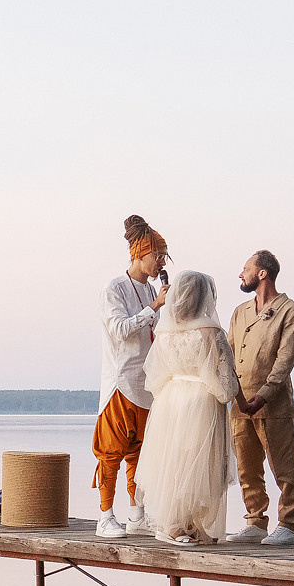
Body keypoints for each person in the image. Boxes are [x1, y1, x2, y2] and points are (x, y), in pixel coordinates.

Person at [131, 271, 241, 546]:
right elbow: (224, 379)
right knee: (197, 464)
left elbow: (155, 374)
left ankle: (178, 524)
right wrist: (226, 393)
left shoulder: (165, 331)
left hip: (170, 398)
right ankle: (180, 526)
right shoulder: (210, 332)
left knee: (174, 462)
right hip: (200, 399)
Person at [94, 216, 170, 539]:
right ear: (140, 253)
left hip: (145, 383)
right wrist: (154, 306)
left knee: (139, 452)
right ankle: (104, 516)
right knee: (111, 450)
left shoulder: (151, 288)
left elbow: (152, 334)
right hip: (120, 382)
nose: (161, 263)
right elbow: (121, 329)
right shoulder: (115, 289)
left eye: (164, 257)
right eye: (158, 256)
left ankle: (137, 512)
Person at [228, 250, 294, 545]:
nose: (241, 274)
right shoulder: (240, 312)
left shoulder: (290, 311)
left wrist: (262, 396)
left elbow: (285, 361)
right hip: (239, 403)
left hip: (273, 405)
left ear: (262, 273)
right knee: (246, 467)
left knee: (284, 466)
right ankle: (256, 521)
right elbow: (229, 352)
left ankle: (288, 524)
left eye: (246, 268)